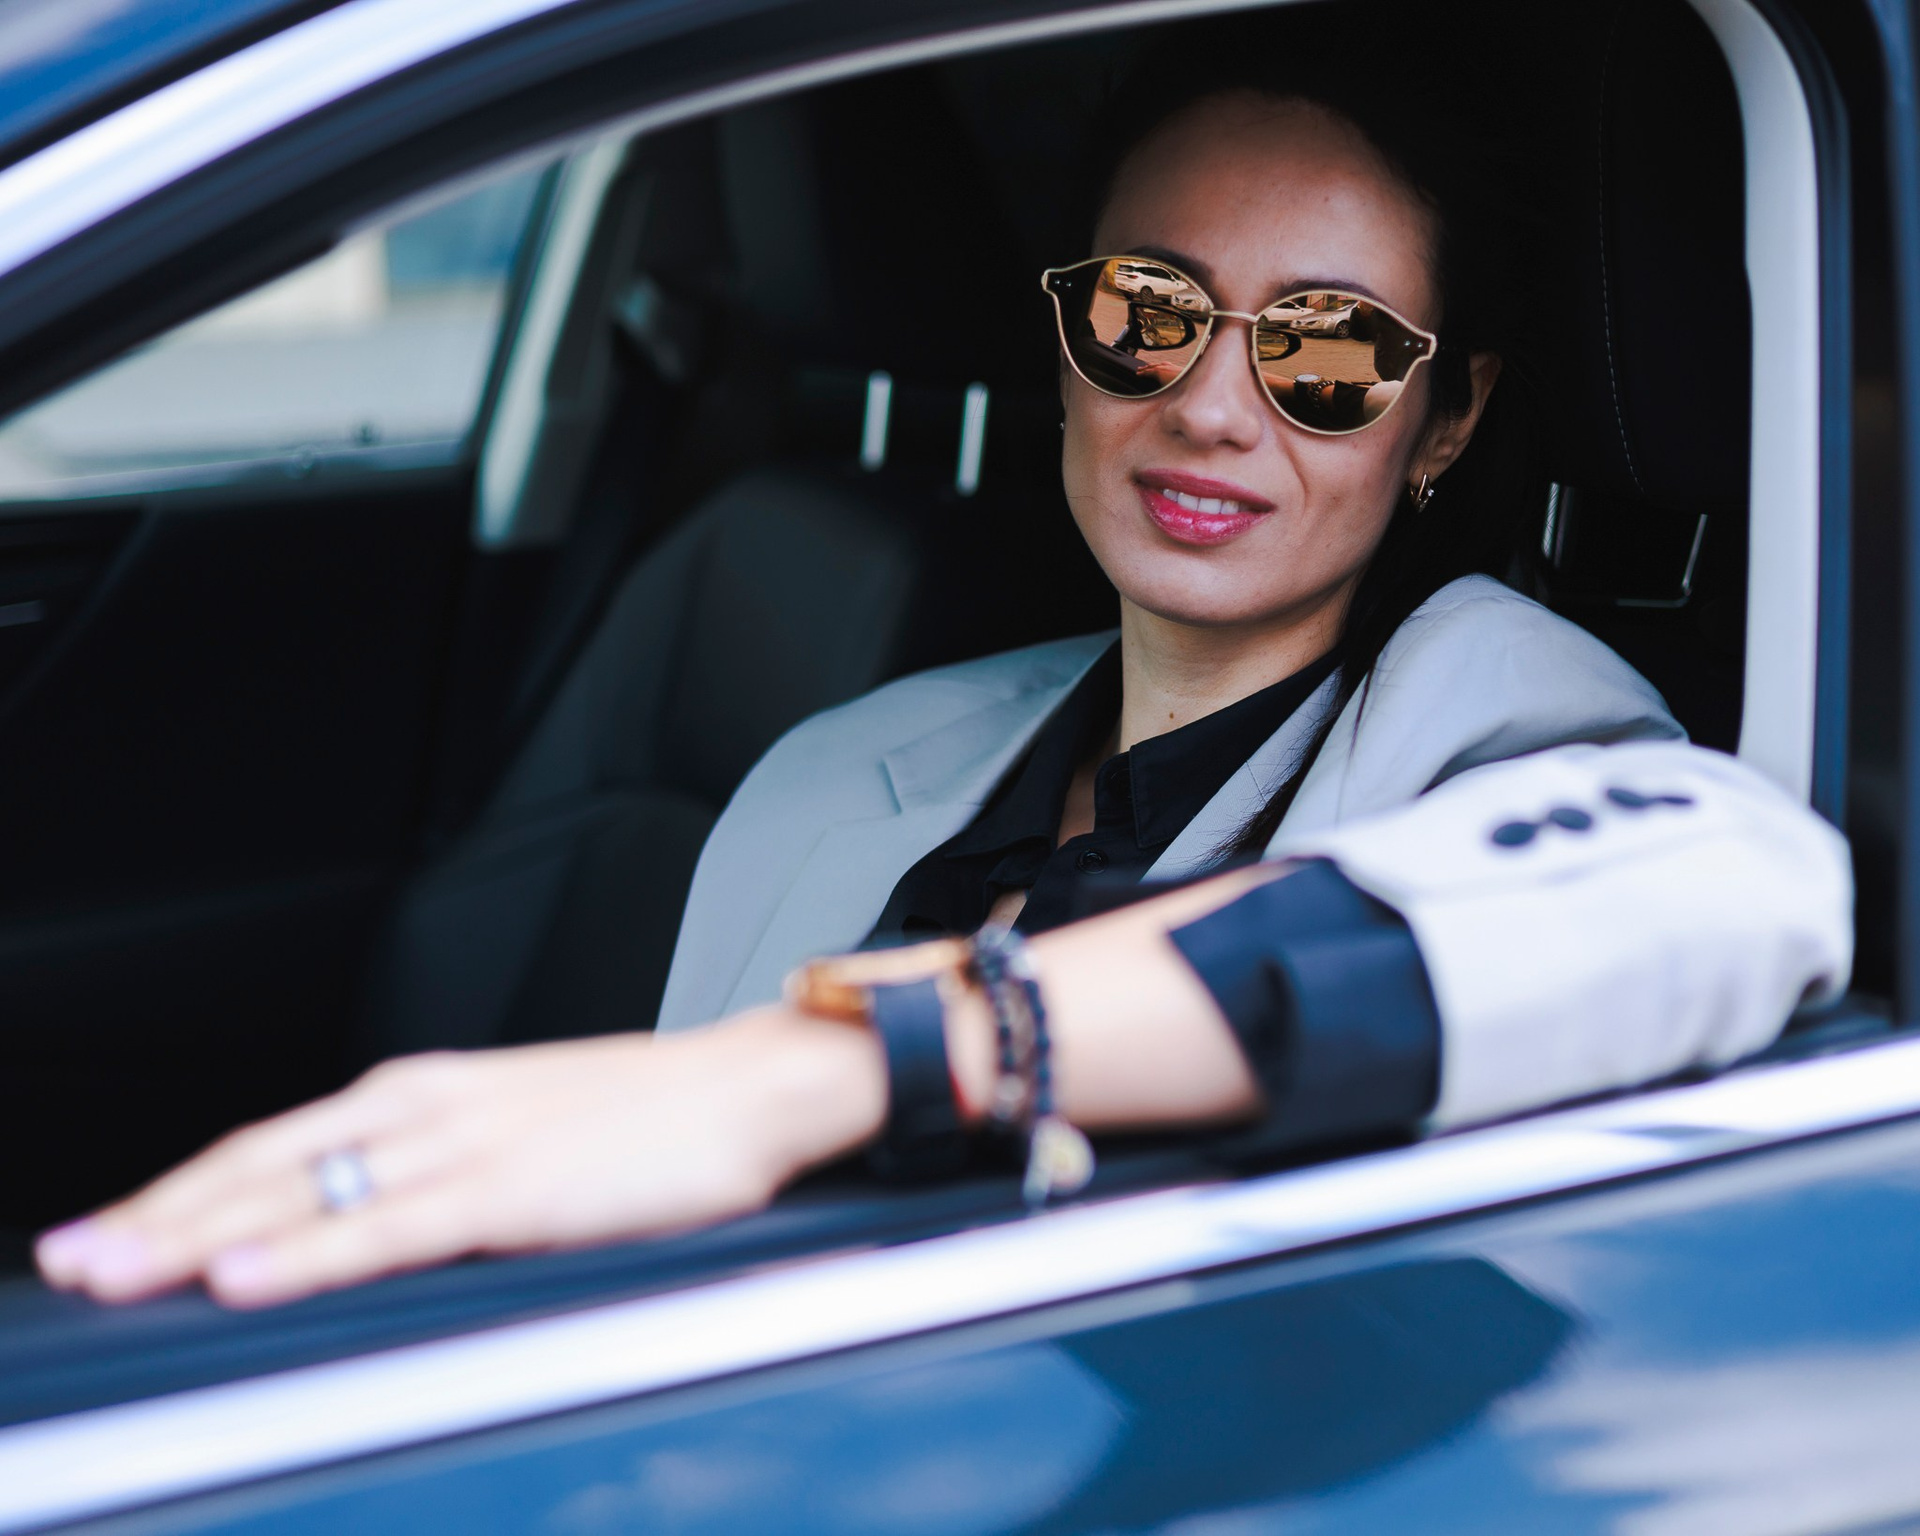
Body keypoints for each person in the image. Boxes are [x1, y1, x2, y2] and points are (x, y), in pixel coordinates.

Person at [32, 59, 1851, 1309]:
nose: (1212, 406)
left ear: (1441, 420)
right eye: (1147, 312)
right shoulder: (856, 760)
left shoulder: (1487, 708)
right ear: (1064, 346)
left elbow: (1731, 880)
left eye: (1327, 353)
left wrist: (854, 1062)